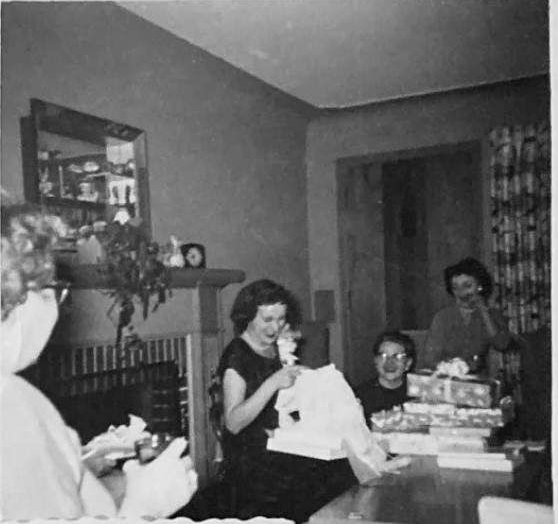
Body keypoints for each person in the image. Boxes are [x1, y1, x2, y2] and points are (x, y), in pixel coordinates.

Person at [0, 195, 198, 521]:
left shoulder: (21, 396)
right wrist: (144, 507)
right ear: (21, 295)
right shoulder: (14, 414)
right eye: (53, 290)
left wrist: (130, 481)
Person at [215, 279, 355, 523]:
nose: (275, 327)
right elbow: (233, 423)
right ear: (247, 317)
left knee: (343, 467)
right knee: (317, 482)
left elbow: (283, 399)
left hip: (280, 440)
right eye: (267, 320)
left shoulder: (274, 347)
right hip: (251, 457)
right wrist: (273, 383)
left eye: (280, 319)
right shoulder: (236, 355)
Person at [423, 257, 512, 376]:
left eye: (467, 286)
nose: (461, 293)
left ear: (479, 287)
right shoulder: (443, 317)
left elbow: (501, 344)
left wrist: (484, 312)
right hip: (445, 379)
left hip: (479, 382)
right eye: (455, 287)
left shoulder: (493, 315)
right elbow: (430, 359)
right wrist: (455, 367)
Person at [355, 330, 416, 424]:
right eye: (383, 356)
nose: (390, 362)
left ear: (408, 363)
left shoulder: (417, 395)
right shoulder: (360, 397)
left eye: (397, 357)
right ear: (376, 361)